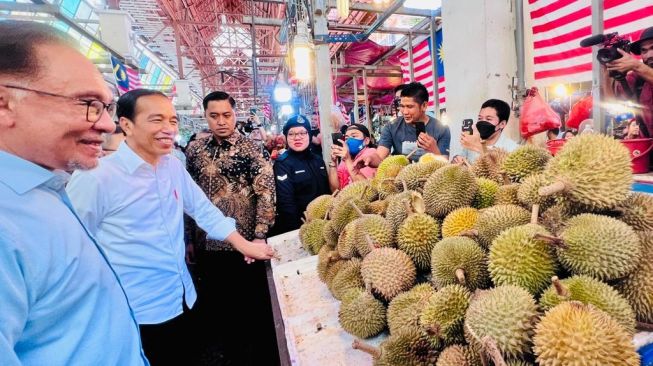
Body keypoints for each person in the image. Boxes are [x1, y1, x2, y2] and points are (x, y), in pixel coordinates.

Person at [66, 89, 274, 365]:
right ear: (126, 124)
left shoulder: (172, 166)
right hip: (136, 309)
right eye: (156, 120)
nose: (168, 129)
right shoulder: (98, 178)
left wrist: (245, 243)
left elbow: (203, 209)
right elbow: (71, 246)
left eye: (173, 120)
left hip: (181, 296)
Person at [0, 21, 147, 365]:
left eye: (106, 107)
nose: (109, 125)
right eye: (87, 103)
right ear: (4, 104)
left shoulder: (44, 190)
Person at [184, 91, 278, 365]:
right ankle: (225, 355)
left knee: (248, 308)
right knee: (217, 306)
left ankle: (256, 356)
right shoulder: (195, 151)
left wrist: (260, 236)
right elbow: (190, 200)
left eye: (227, 115)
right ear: (205, 116)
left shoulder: (252, 148)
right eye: (214, 116)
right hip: (206, 245)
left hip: (244, 244)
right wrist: (189, 238)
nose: (221, 121)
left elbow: (266, 192)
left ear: (235, 114)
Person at [271, 115, 332, 234]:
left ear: (309, 135)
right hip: (300, 227)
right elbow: (286, 203)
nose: (297, 137)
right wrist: (298, 232)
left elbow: (327, 192)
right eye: (291, 134)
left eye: (302, 133)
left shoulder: (318, 160)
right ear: (286, 138)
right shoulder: (282, 164)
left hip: (325, 224)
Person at [603, 26, 653, 137]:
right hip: (648, 147)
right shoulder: (637, 77)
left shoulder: (638, 68)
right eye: (644, 50)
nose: (649, 55)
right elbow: (611, 102)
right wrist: (607, 72)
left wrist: (636, 65)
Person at [451, 98, 519, 164]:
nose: (483, 122)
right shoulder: (471, 141)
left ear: (502, 124)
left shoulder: (513, 149)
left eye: (488, 119)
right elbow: (458, 161)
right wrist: (456, 160)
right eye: (480, 118)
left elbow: (506, 171)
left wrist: (478, 147)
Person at [329, 123, 377, 190]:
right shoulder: (345, 159)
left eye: (354, 136)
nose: (349, 140)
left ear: (366, 141)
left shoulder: (371, 154)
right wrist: (333, 162)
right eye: (346, 138)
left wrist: (347, 160)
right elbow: (335, 190)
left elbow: (365, 190)